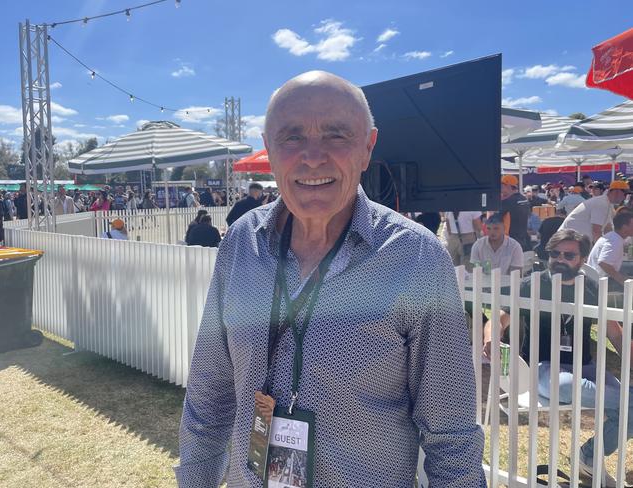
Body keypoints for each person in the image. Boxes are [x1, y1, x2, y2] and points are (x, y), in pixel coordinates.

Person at [177, 71, 485, 487]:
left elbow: (452, 436)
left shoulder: (417, 259)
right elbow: (208, 398)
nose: (313, 156)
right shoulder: (241, 244)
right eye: (292, 137)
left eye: (337, 135)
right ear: (268, 151)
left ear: (367, 148)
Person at [483, 229, 633, 487]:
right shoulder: (534, 283)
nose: (560, 259)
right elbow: (499, 317)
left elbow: (615, 334)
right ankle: (624, 400)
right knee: (564, 385)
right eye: (555, 253)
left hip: (583, 366)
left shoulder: (592, 287)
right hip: (541, 368)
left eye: (569, 254)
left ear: (583, 259)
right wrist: (491, 338)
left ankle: (588, 457)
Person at [559, 179, 629, 243]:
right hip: (567, 240)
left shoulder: (607, 204)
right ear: (616, 192)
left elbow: (608, 229)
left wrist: (618, 242)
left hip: (574, 240)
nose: (625, 197)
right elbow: (596, 231)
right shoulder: (601, 203)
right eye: (625, 194)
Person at [587, 209, 633, 292]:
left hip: (594, 277)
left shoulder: (612, 236)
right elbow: (603, 263)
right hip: (600, 282)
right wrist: (622, 280)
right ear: (624, 227)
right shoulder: (615, 241)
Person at [497, 174, 531, 251]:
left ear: (508, 186)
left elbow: (495, 219)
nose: (500, 189)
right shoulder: (524, 199)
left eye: (502, 186)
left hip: (510, 240)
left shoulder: (507, 202)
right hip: (523, 238)